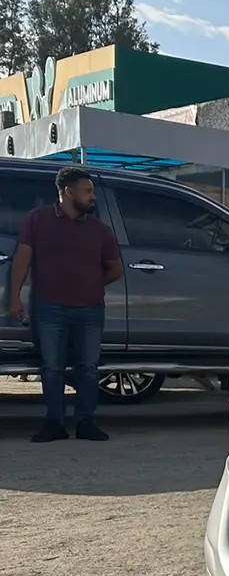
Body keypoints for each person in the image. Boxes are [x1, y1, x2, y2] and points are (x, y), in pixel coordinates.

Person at [7, 166, 123, 442]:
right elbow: (22, 259)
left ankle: (85, 421)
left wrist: (94, 285)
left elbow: (115, 268)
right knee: (52, 366)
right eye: (87, 191)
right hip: (49, 307)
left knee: (88, 366)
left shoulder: (99, 229)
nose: (92, 197)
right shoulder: (38, 220)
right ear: (68, 192)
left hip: (90, 308)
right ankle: (54, 423)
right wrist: (14, 297)